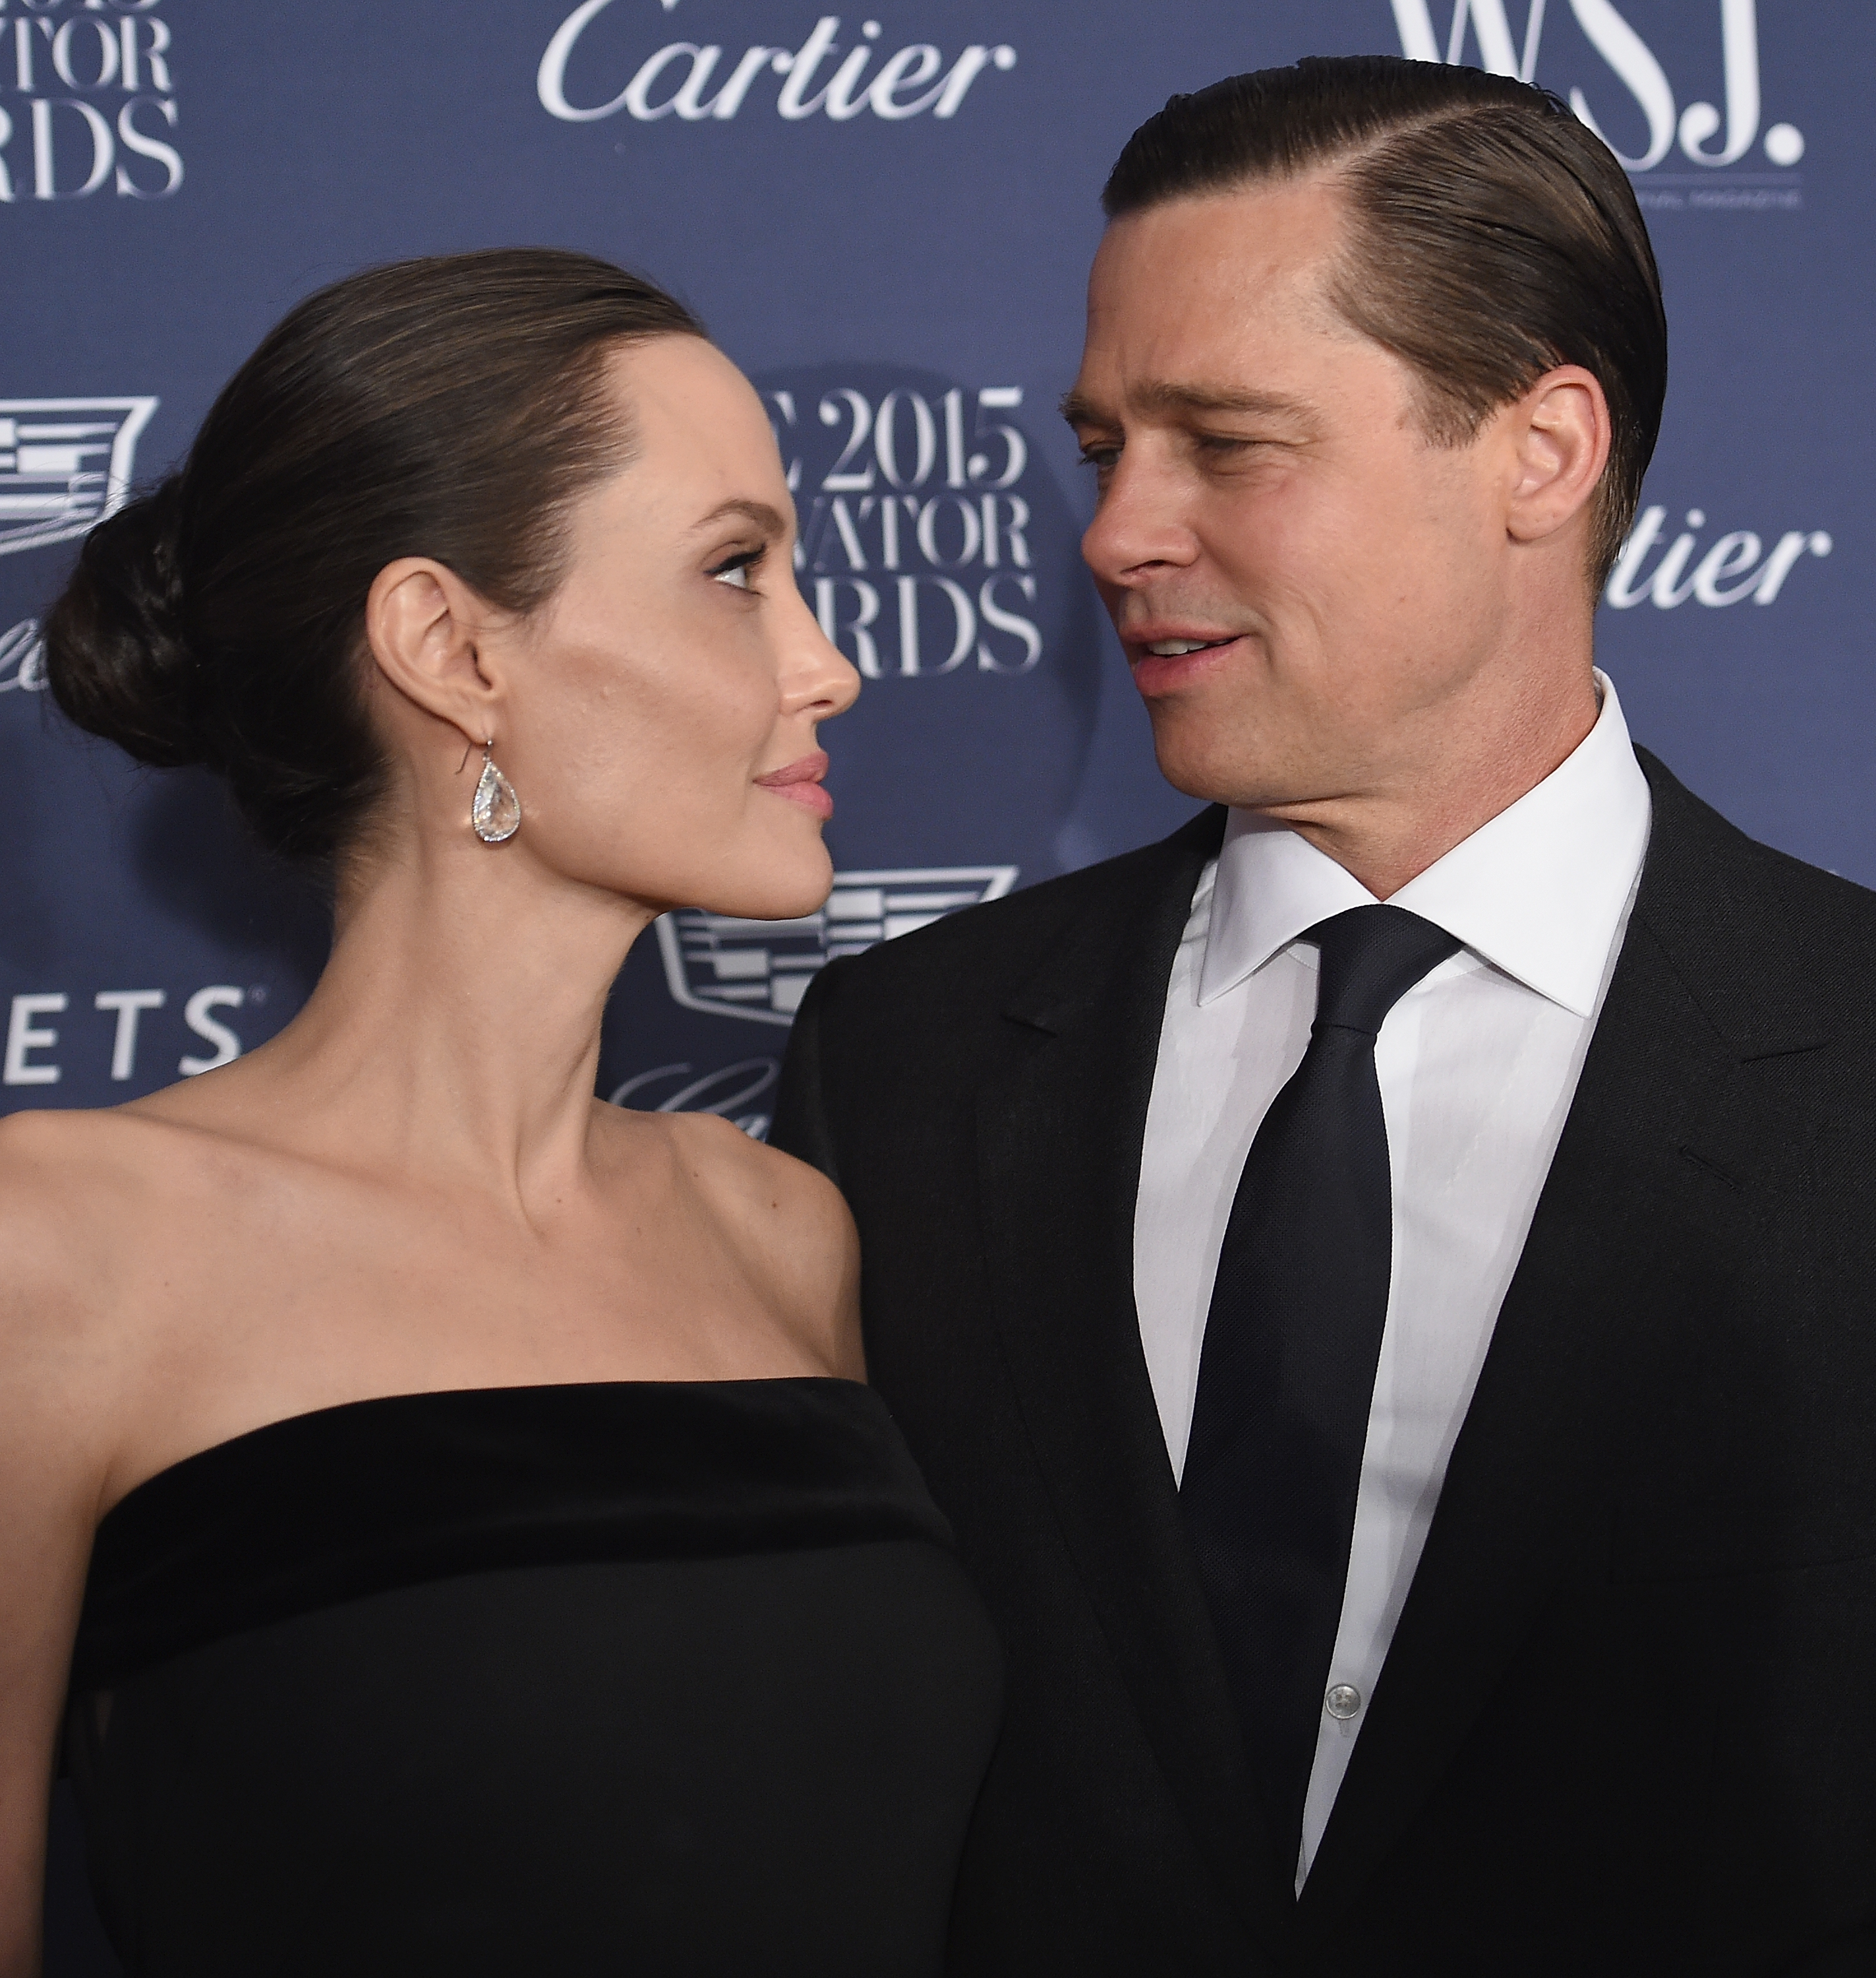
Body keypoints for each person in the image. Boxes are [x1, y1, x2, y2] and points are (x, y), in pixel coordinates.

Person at [771, 57, 1876, 1977]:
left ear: (1541, 450)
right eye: (1107, 443)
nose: (1117, 531)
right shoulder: (902, 1061)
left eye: (1226, 441)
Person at [0, 248, 1001, 1978]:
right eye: (735, 571)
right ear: (454, 649)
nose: (827, 666)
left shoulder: (777, 1227)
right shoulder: (60, 1252)